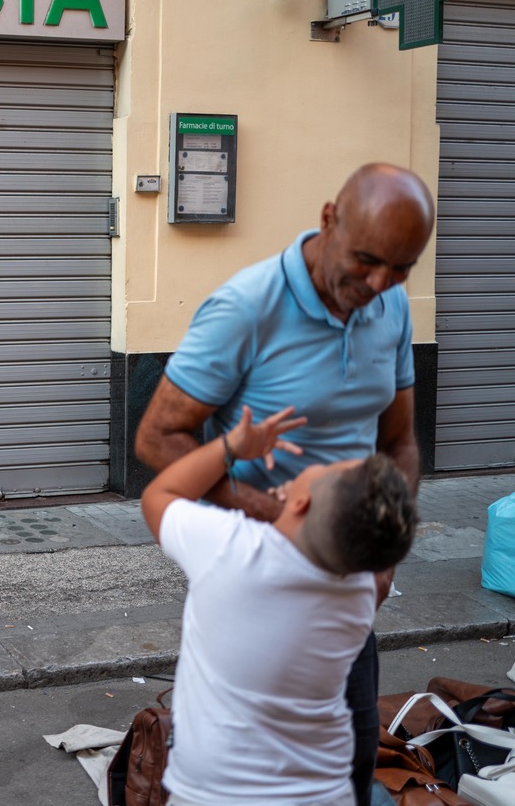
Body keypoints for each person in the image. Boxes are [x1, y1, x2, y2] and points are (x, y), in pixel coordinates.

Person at [134, 162, 436, 804]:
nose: (380, 282)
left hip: (352, 577)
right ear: (328, 219)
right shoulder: (246, 308)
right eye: (366, 260)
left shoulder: (391, 307)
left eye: (402, 267)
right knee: (240, 764)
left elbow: (399, 442)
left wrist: (387, 555)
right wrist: (265, 512)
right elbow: (156, 439)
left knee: (348, 760)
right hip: (253, 579)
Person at [141, 404, 418, 805]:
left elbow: (159, 494)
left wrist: (232, 446)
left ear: (300, 500)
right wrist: (288, 512)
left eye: (324, 469)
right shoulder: (360, 591)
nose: (317, 464)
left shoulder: (230, 549)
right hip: (326, 793)